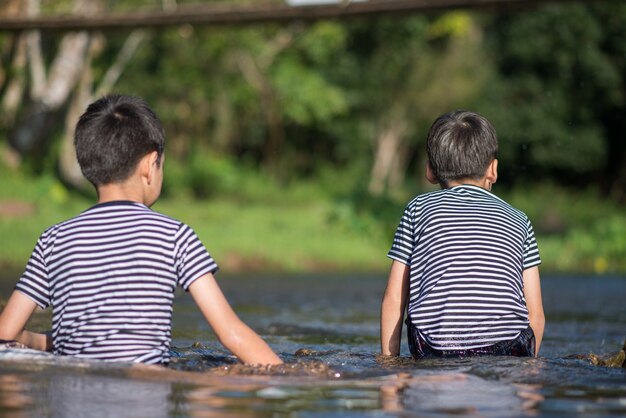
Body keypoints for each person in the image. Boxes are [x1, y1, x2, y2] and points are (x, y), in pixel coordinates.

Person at [0, 94, 282, 366]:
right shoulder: (175, 236)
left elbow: (6, 333)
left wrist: (54, 341)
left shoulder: (53, 239)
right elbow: (230, 333)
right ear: (150, 165)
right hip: (144, 389)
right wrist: (296, 379)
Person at [380, 110, 545, 359]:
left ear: (430, 171)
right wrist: (526, 372)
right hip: (509, 348)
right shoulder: (519, 219)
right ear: (493, 170)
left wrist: (389, 362)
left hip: (435, 348)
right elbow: (535, 314)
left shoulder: (416, 210)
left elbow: (395, 299)